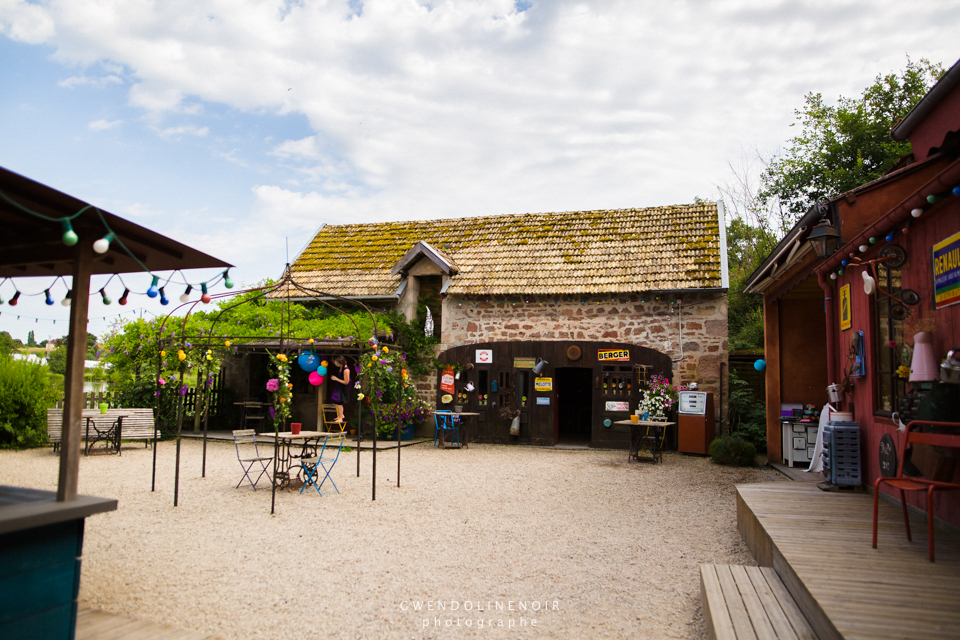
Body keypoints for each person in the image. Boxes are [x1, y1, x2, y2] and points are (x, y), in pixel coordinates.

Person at [329, 356, 351, 424]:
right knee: (333, 400)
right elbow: (332, 360)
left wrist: (336, 379)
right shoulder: (340, 367)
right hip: (339, 386)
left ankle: (340, 418)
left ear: (341, 363)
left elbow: (346, 382)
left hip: (344, 387)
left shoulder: (346, 370)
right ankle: (341, 414)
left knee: (339, 402)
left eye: (337, 363)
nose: (336, 364)